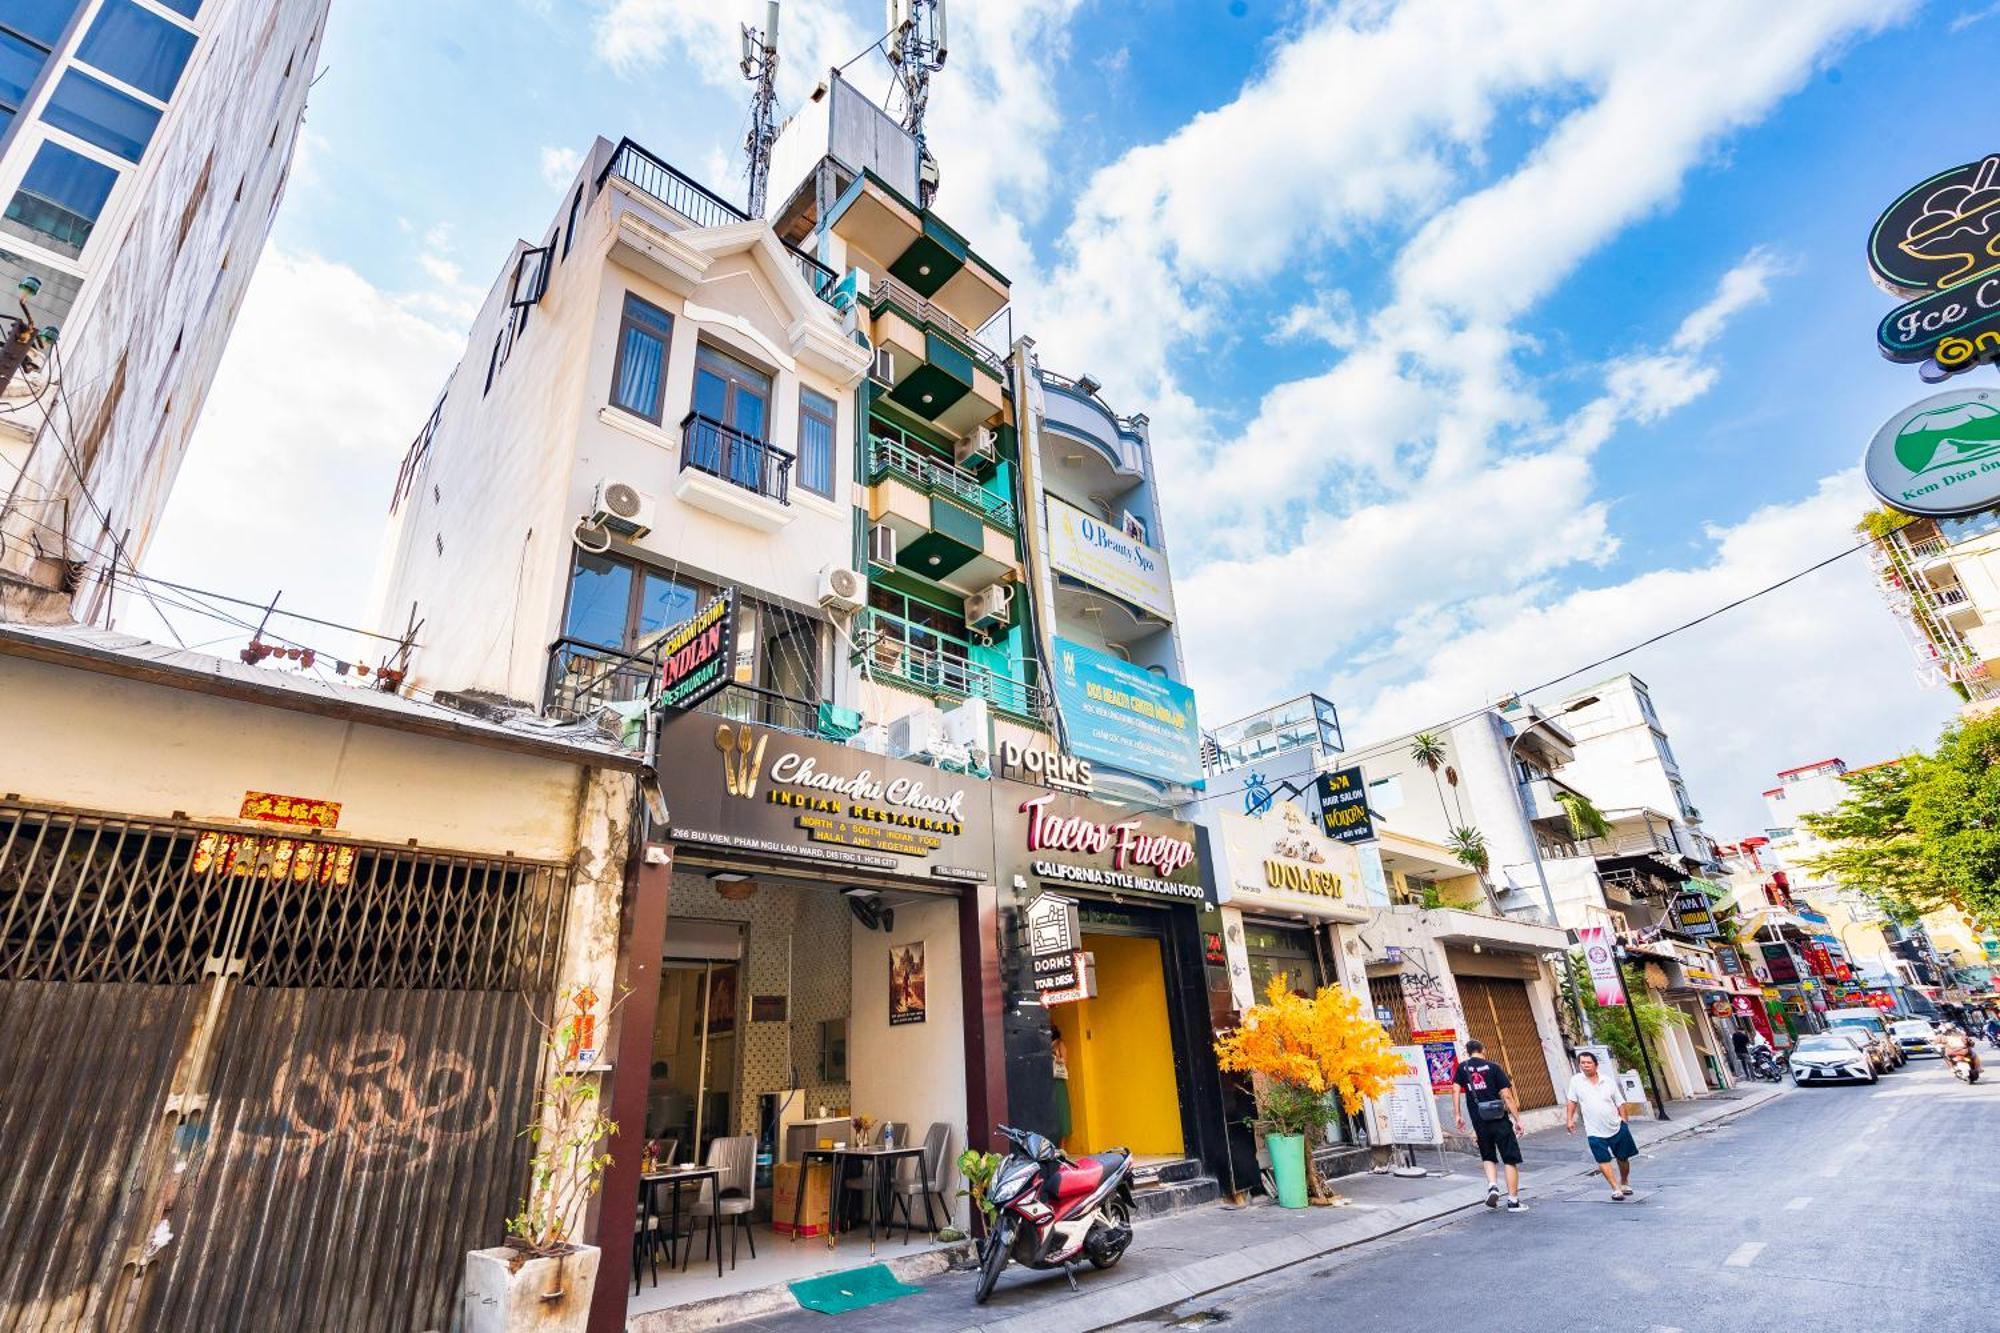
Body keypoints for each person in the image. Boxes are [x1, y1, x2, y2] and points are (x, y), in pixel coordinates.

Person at [1452, 1039, 1527, 1212]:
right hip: (1499, 1119)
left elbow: (1455, 1090)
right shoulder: (1493, 1067)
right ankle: (1513, 1201)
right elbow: (1506, 1095)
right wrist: (1517, 1119)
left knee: (1488, 1156)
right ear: (1483, 1050)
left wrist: (1457, 1115)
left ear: (1468, 1052)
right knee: (1509, 1158)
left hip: (1480, 1120)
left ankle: (1492, 1186)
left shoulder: (1462, 1068)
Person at [1565, 1051, 1638, 1199]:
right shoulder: (1576, 1081)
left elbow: (1620, 1102)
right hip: (1594, 1129)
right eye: (1582, 1063)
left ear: (1596, 1065)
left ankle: (1624, 1181)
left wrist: (1624, 1120)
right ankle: (1615, 1188)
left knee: (1623, 1158)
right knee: (1602, 1159)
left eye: (1588, 1063)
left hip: (1616, 1125)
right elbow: (1572, 1101)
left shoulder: (1607, 1081)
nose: (1585, 1066)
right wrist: (1569, 1119)